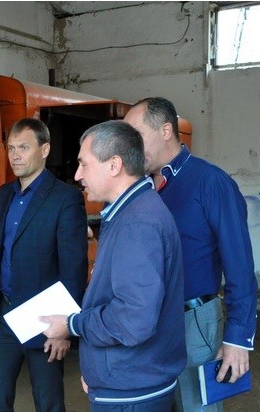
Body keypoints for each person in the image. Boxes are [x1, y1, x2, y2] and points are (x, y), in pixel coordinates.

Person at [40, 120, 187, 411]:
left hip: (131, 389)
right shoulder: (131, 212)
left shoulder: (137, 223)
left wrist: (71, 324)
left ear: (114, 165)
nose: (77, 174)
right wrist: (98, 370)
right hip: (126, 378)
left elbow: (134, 320)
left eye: (84, 164)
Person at [124, 97, 258, 411]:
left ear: (165, 131)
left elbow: (239, 265)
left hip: (194, 322)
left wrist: (237, 337)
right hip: (146, 323)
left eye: (136, 136)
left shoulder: (211, 182)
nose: (129, 148)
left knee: (195, 405)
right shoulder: (138, 189)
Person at [0, 118, 88, 412]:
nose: (15, 156)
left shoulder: (66, 199)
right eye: (11, 148)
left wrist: (64, 328)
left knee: (48, 401)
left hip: (44, 319)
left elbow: (74, 270)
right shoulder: (5, 194)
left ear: (45, 150)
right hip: (3, 314)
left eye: (23, 148)